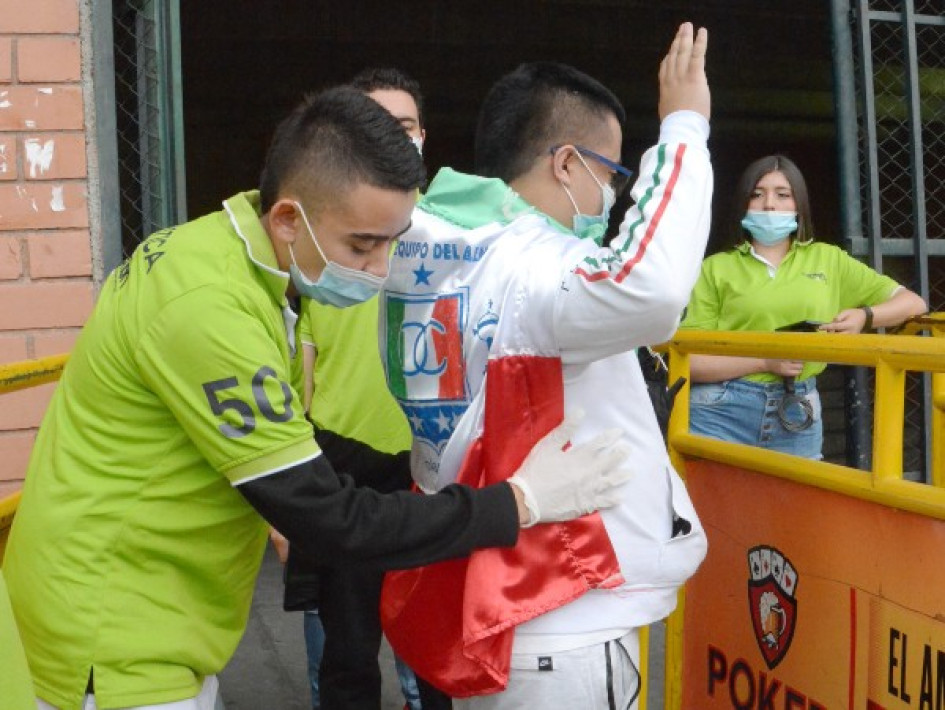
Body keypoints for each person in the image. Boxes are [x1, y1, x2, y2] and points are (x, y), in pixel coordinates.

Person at [2, 86, 631, 710]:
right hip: (113, 645)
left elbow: (300, 438)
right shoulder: (207, 308)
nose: (381, 269)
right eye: (363, 245)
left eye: (393, 241)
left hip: (149, 623)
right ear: (287, 218)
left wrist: (431, 471)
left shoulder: (231, 263)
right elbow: (330, 520)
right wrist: (517, 502)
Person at [378, 22, 712, 710]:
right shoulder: (532, 267)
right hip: (560, 609)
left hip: (489, 601)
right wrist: (682, 128)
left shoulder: (426, 248)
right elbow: (650, 289)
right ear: (566, 163)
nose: (610, 195)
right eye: (612, 173)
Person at [287, 66, 428, 710]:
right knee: (343, 659)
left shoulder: (453, 240)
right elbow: (301, 374)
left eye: (401, 128)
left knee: (429, 660)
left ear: (423, 136)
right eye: (371, 126)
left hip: (428, 468)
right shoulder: (322, 245)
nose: (388, 140)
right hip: (339, 467)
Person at [680, 154, 927, 459]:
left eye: (783, 195)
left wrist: (865, 317)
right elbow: (688, 361)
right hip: (721, 409)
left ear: (799, 206)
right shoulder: (714, 268)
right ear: (743, 204)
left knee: (796, 506)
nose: (769, 204)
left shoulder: (828, 259)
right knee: (710, 506)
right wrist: (765, 361)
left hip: (798, 408)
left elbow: (914, 304)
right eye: (757, 194)